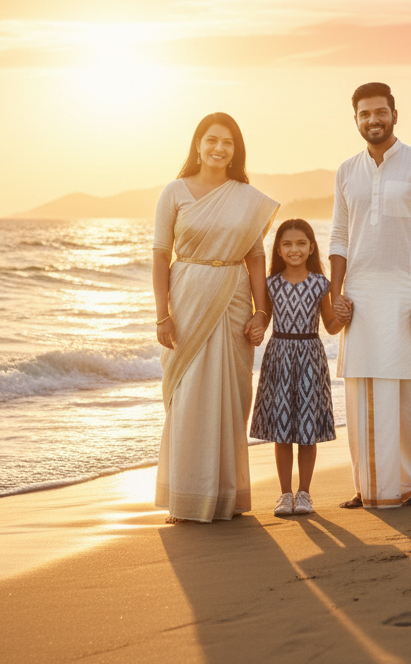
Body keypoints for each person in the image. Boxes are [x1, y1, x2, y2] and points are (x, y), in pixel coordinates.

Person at [152, 112, 279, 523]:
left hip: (234, 298)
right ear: (198, 144)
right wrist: (162, 315)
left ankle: (227, 496)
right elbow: (159, 255)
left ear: (235, 150)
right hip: (186, 296)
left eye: (227, 142)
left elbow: (257, 257)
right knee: (187, 394)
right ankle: (185, 498)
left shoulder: (246, 195)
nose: (219, 148)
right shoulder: (174, 192)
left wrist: (263, 312)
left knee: (231, 395)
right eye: (211, 140)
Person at [329, 81, 411, 509]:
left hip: (406, 293)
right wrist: (335, 294)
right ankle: (369, 487)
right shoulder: (346, 171)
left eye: (380, 112)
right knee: (360, 390)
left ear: (394, 115)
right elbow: (340, 238)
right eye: (364, 114)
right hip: (359, 294)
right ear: (356, 119)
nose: (373, 120)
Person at [250, 219, 349, 516]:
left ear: (311, 248)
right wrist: (254, 328)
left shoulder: (322, 284)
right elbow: (263, 320)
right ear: (278, 249)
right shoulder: (270, 284)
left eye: (301, 243)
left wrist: (344, 316)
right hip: (278, 355)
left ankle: (304, 493)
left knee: (307, 428)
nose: (294, 249)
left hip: (310, 356)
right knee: (282, 429)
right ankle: (284, 495)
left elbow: (330, 326)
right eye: (287, 244)